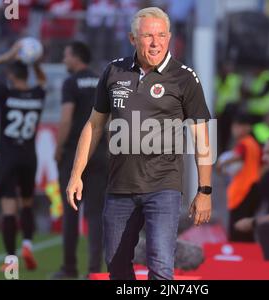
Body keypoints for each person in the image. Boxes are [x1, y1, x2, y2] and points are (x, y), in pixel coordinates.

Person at [66, 7, 212, 280]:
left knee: (160, 265)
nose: (155, 42)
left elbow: (201, 134)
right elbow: (94, 125)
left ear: (169, 38)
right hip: (120, 187)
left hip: (163, 188)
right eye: (148, 36)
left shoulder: (184, 77)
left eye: (161, 35)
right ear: (133, 39)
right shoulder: (113, 72)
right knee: (116, 266)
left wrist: (205, 190)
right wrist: (76, 174)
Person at [0, 42, 47, 271]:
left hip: (8, 157)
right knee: (26, 203)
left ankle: (11, 261)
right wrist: (34, 62)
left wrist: (6, 55)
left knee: (9, 209)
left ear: (10, 75)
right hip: (29, 157)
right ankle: (27, 244)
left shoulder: (5, 93)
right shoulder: (38, 94)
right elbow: (43, 80)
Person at [51, 41, 108, 279]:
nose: (64, 60)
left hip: (75, 153)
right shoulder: (103, 80)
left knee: (71, 213)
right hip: (100, 153)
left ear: (76, 58)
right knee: (95, 215)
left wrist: (59, 147)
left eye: (66, 56)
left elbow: (66, 119)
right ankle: (94, 271)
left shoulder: (71, 82)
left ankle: (69, 268)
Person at [216, 114, 261, 242]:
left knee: (238, 228)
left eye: (238, 126)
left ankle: (239, 254)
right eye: (234, 127)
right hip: (253, 187)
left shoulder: (244, 144)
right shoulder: (253, 143)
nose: (235, 130)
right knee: (247, 228)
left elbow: (239, 156)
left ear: (247, 128)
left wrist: (221, 164)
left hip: (243, 189)